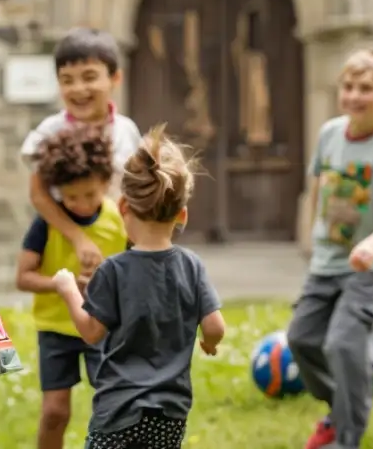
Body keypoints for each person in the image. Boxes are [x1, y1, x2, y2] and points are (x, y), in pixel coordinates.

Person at [52, 125, 226, 449]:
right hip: (170, 414)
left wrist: (68, 290)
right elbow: (215, 326)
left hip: (119, 412)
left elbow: (91, 332)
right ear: (182, 214)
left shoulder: (113, 270)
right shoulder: (192, 266)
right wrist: (209, 343)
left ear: (123, 207)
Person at [285, 49, 373, 449]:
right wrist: (309, 237)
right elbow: (317, 188)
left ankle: (346, 438)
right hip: (327, 262)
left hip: (370, 267)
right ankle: (342, 409)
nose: (355, 96)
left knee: (344, 344)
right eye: (348, 86)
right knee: (302, 338)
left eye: (366, 88)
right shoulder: (329, 133)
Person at [15, 124, 131, 449]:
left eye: (90, 195)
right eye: (71, 197)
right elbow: (23, 277)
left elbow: (132, 271)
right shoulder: (46, 225)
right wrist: (61, 285)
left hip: (102, 327)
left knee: (113, 405)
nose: (81, 204)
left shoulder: (119, 221)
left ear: (106, 183)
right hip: (56, 329)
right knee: (55, 412)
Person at [20, 28, 143, 282]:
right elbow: (38, 195)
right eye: (67, 80)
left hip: (118, 241)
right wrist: (78, 238)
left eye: (89, 77)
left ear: (115, 78)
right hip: (64, 241)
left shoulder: (126, 131)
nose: (78, 89)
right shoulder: (50, 132)